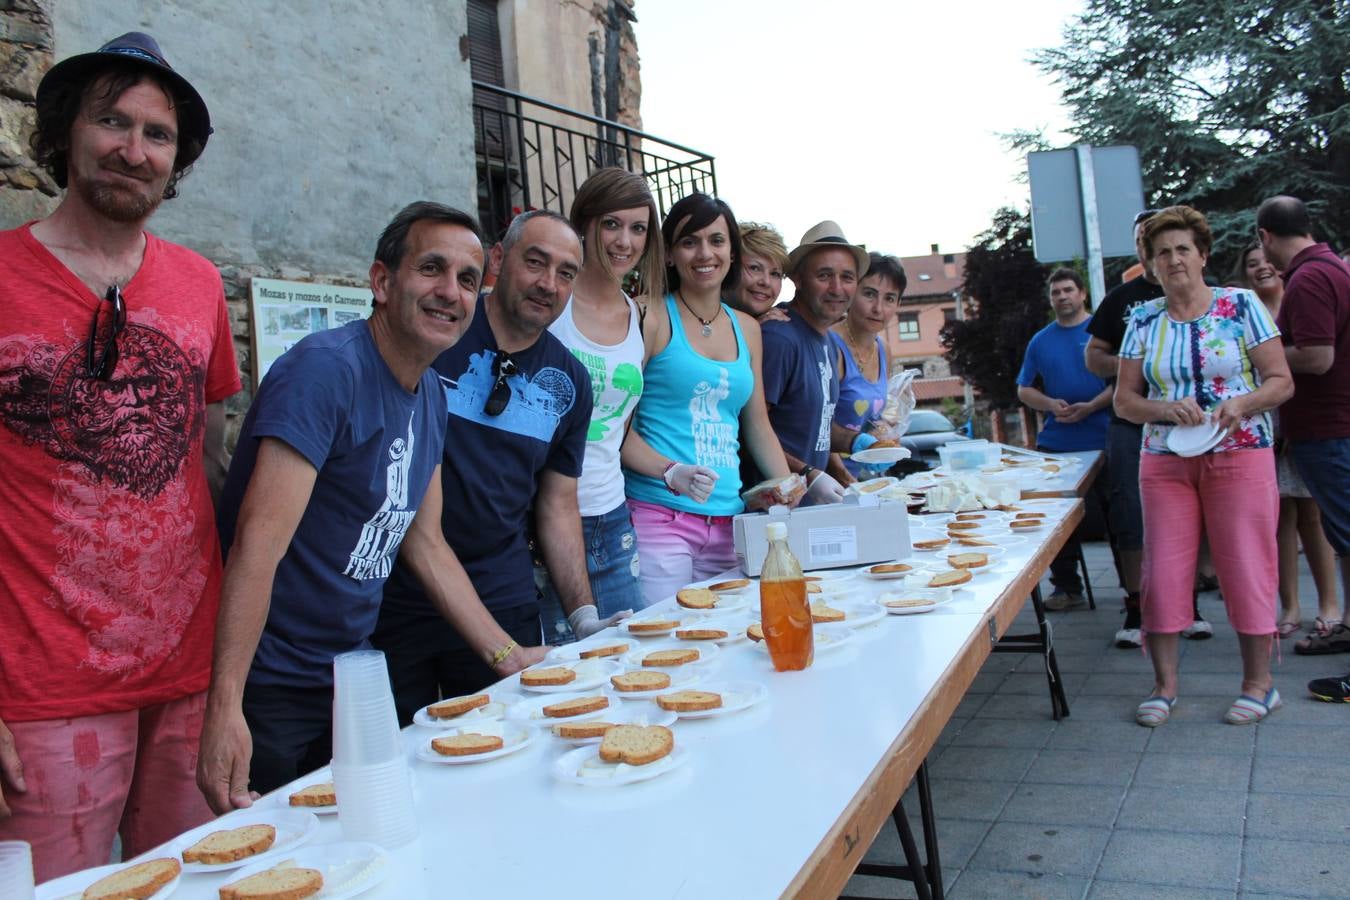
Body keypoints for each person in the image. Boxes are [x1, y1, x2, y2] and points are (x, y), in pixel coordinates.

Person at [197, 203, 547, 809]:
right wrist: (224, 703)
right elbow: (257, 544)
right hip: (272, 686)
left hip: (349, 680)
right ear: (382, 282)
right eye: (432, 269)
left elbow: (425, 543)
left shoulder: (432, 394)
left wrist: (511, 657)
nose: (450, 292)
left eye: (467, 279)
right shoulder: (325, 370)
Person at [0, 33, 240, 879]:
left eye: (158, 134)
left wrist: (230, 682)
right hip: (41, 685)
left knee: (191, 881)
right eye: (112, 121)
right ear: (66, 129)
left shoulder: (200, 283)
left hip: (187, 678)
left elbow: (205, 465)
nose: (133, 150)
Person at [374, 210, 621, 724]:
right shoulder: (436, 331)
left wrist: (582, 615)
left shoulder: (570, 381)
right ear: (498, 259)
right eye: (535, 262)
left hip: (501, 598)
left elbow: (557, 503)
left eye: (566, 272)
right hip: (395, 596)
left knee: (506, 748)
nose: (548, 284)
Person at [1115, 205, 1293, 727]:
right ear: (1150, 264)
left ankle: (1260, 686)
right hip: (1165, 458)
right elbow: (1125, 401)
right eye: (1162, 252)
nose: (1173, 259)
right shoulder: (1142, 319)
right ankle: (1164, 686)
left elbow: (1281, 380)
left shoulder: (1241, 307)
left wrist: (1241, 404)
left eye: (1182, 249)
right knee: (1165, 571)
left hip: (1240, 451)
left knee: (1244, 563)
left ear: (1202, 255)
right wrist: (1162, 409)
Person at [622, 193, 793, 606]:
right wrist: (670, 471)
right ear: (668, 255)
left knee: (724, 644)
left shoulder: (749, 328)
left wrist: (789, 489)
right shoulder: (647, 315)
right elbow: (615, 426)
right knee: (663, 644)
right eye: (689, 241)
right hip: (659, 516)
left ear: (732, 252)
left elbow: (757, 425)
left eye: (717, 241)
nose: (705, 253)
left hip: (731, 522)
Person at [538, 168, 662, 641]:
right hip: (543, 524)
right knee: (559, 683)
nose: (624, 241)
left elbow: (616, 430)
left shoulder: (640, 318)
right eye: (611, 224)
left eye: (638, 228)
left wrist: (670, 470)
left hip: (612, 518)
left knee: (629, 659)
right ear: (584, 224)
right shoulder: (551, 305)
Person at [1085, 209, 1210, 646]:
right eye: (1146, 242)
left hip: (1193, 425)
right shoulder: (1123, 301)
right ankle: (1137, 607)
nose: (1162, 253)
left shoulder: (1212, 299)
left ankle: (1187, 603)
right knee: (1129, 515)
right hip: (1131, 424)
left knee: (1186, 516)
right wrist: (1137, 367)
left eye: (1177, 247)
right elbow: (1093, 356)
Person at [1255, 197, 1350, 694]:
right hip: (1331, 427)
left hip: (1329, 429)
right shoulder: (1330, 267)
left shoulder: (1310, 278)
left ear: (1266, 237)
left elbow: (1317, 357)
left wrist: (1263, 356)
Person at [1234, 241, 1339, 640]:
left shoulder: (1297, 302)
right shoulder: (1241, 313)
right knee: (1278, 521)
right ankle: (1290, 606)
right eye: (1251, 264)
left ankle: (1329, 604)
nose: (1261, 269)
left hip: (1300, 420)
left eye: (1265, 262)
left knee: (1313, 516)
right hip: (1261, 426)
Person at [746, 221, 870, 504]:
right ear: (798, 280)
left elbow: (813, 425)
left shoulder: (826, 341)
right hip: (771, 510)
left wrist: (852, 448)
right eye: (824, 275)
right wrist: (810, 473)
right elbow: (749, 429)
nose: (837, 288)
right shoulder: (779, 337)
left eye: (847, 277)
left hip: (807, 507)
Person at [1016, 268, 1116, 610]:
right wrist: (1048, 404)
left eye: (1068, 290)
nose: (1062, 297)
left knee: (1119, 516)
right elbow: (1024, 388)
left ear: (1082, 293)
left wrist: (1091, 406)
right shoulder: (1040, 341)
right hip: (1057, 443)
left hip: (1105, 437)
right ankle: (1066, 588)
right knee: (1055, 520)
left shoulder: (1102, 334)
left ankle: (1134, 590)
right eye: (1055, 292)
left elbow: (1124, 383)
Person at [827, 252, 905, 484]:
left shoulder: (884, 349)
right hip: (823, 481)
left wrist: (885, 438)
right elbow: (815, 424)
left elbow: (871, 420)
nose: (878, 308)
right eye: (870, 294)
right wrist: (844, 478)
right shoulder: (829, 345)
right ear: (851, 292)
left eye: (890, 298)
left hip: (859, 477)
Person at [725, 222, 789, 319]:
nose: (766, 282)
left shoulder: (774, 323)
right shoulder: (701, 315)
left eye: (775, 274)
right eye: (755, 268)